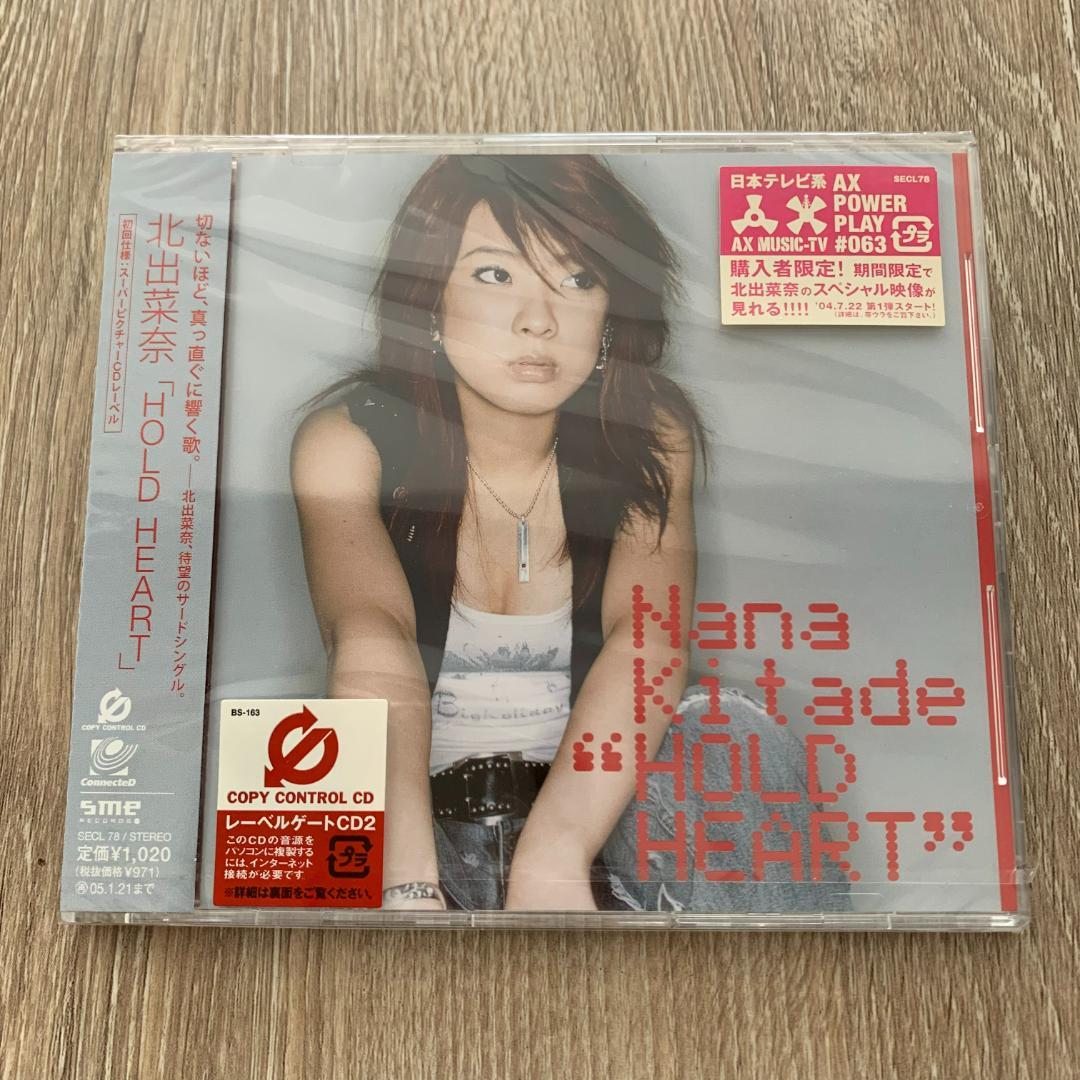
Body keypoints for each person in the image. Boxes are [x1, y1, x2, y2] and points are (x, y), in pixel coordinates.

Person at [291, 154, 851, 914]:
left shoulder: (649, 434)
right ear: (429, 299)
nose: (539, 318)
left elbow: (648, 641)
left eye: (579, 279)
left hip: (596, 815)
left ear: (611, 314)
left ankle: (774, 991)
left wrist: (555, 854)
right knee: (284, 794)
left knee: (729, 736)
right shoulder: (349, 441)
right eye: (495, 275)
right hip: (416, 822)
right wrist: (408, 882)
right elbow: (370, 638)